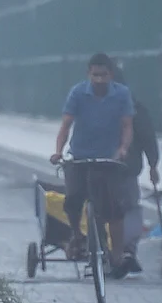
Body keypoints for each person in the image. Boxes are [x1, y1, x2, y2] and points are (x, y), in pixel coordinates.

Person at [49, 53, 134, 278]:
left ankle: (117, 254)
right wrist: (58, 151)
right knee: (73, 199)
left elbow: (127, 126)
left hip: (108, 159)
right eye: (95, 75)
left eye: (103, 75)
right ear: (89, 75)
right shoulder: (78, 93)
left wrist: (123, 149)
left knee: (114, 209)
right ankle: (77, 234)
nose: (99, 80)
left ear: (111, 75)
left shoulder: (122, 95)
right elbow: (66, 125)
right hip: (79, 156)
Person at [111, 63, 160, 275]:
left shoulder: (134, 110)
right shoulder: (136, 108)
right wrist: (152, 164)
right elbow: (149, 139)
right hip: (122, 169)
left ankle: (123, 252)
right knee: (128, 209)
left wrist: (153, 164)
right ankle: (125, 251)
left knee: (123, 209)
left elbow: (147, 139)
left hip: (119, 169)